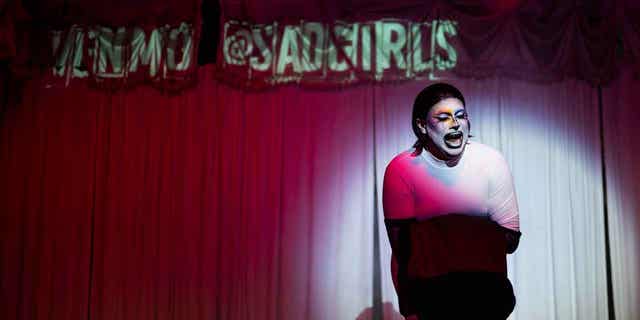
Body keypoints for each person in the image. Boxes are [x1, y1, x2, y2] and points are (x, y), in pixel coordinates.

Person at [382, 83, 522, 320]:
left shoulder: (490, 161)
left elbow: (510, 242)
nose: (455, 123)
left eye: (460, 116)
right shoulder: (401, 169)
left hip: (485, 297)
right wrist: (410, 308)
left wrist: (441, 235)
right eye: (443, 117)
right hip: (430, 301)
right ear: (422, 126)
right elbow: (402, 251)